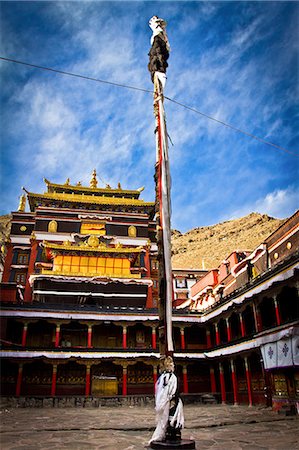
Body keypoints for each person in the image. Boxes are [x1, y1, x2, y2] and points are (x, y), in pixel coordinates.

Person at [150, 356, 184, 443]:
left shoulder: (162, 377)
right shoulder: (172, 377)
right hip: (171, 400)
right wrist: (171, 398)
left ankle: (169, 434)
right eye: (172, 364)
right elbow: (175, 389)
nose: (173, 366)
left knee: (167, 419)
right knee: (172, 418)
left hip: (166, 401)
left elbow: (159, 390)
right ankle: (172, 435)